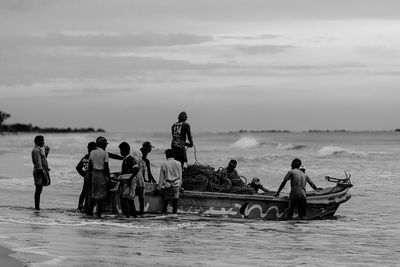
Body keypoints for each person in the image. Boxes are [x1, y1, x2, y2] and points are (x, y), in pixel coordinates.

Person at [87, 136, 110, 218]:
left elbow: (89, 167)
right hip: (101, 175)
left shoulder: (92, 152)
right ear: (103, 145)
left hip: (94, 175)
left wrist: (90, 176)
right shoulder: (105, 153)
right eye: (105, 144)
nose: (106, 146)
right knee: (102, 196)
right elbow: (106, 168)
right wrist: (109, 178)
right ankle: (98, 215)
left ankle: (89, 213)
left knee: (93, 194)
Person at [117, 142, 140, 218]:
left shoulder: (130, 159)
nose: (120, 152)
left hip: (128, 182)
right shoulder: (127, 159)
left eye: (121, 150)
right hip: (126, 182)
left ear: (124, 150)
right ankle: (133, 217)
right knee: (129, 200)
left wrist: (130, 179)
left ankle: (128, 217)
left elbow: (136, 169)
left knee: (125, 200)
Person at [159, 149, 182, 215]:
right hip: (176, 184)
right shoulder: (178, 163)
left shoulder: (164, 164)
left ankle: (163, 215)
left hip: (167, 184)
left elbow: (161, 178)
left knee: (165, 202)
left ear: (167, 155)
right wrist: (180, 186)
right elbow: (180, 176)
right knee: (175, 202)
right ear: (173, 155)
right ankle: (174, 216)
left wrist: (159, 187)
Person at [75, 142, 97, 213]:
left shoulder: (85, 158)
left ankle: (79, 207)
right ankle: (87, 208)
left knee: (84, 192)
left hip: (86, 177)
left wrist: (84, 174)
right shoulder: (93, 157)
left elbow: (78, 168)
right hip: (91, 177)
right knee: (89, 193)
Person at [31, 135, 51, 210]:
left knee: (39, 190)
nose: (44, 142)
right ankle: (37, 208)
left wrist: (46, 152)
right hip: (39, 172)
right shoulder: (36, 150)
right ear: (39, 141)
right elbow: (38, 164)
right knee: (38, 190)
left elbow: (43, 160)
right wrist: (44, 176)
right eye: (43, 141)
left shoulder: (39, 149)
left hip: (41, 171)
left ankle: (37, 207)